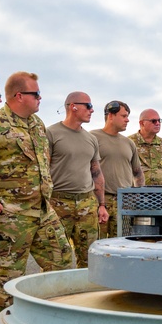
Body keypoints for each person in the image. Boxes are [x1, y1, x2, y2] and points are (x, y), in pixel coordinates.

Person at [0, 71, 72, 314]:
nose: (41, 98)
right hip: (11, 216)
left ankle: (51, 319)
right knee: (9, 278)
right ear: (20, 96)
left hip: (42, 211)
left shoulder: (37, 125)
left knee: (62, 262)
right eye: (37, 94)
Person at [47, 92, 109, 267]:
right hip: (58, 202)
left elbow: (96, 172)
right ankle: (57, 294)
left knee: (90, 258)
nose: (92, 110)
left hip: (86, 204)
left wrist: (101, 205)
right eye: (88, 106)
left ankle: (86, 293)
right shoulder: (51, 133)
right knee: (57, 258)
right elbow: (43, 169)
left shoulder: (91, 139)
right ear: (73, 106)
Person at [92, 101, 143, 239]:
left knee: (123, 243)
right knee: (97, 244)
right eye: (124, 116)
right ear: (111, 116)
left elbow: (137, 173)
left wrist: (138, 196)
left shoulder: (129, 143)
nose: (127, 120)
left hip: (125, 202)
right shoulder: (93, 138)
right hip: (100, 201)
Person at [129, 108, 162, 186]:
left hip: (161, 195)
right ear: (142, 123)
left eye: (159, 120)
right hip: (135, 195)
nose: (157, 123)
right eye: (153, 121)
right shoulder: (129, 142)